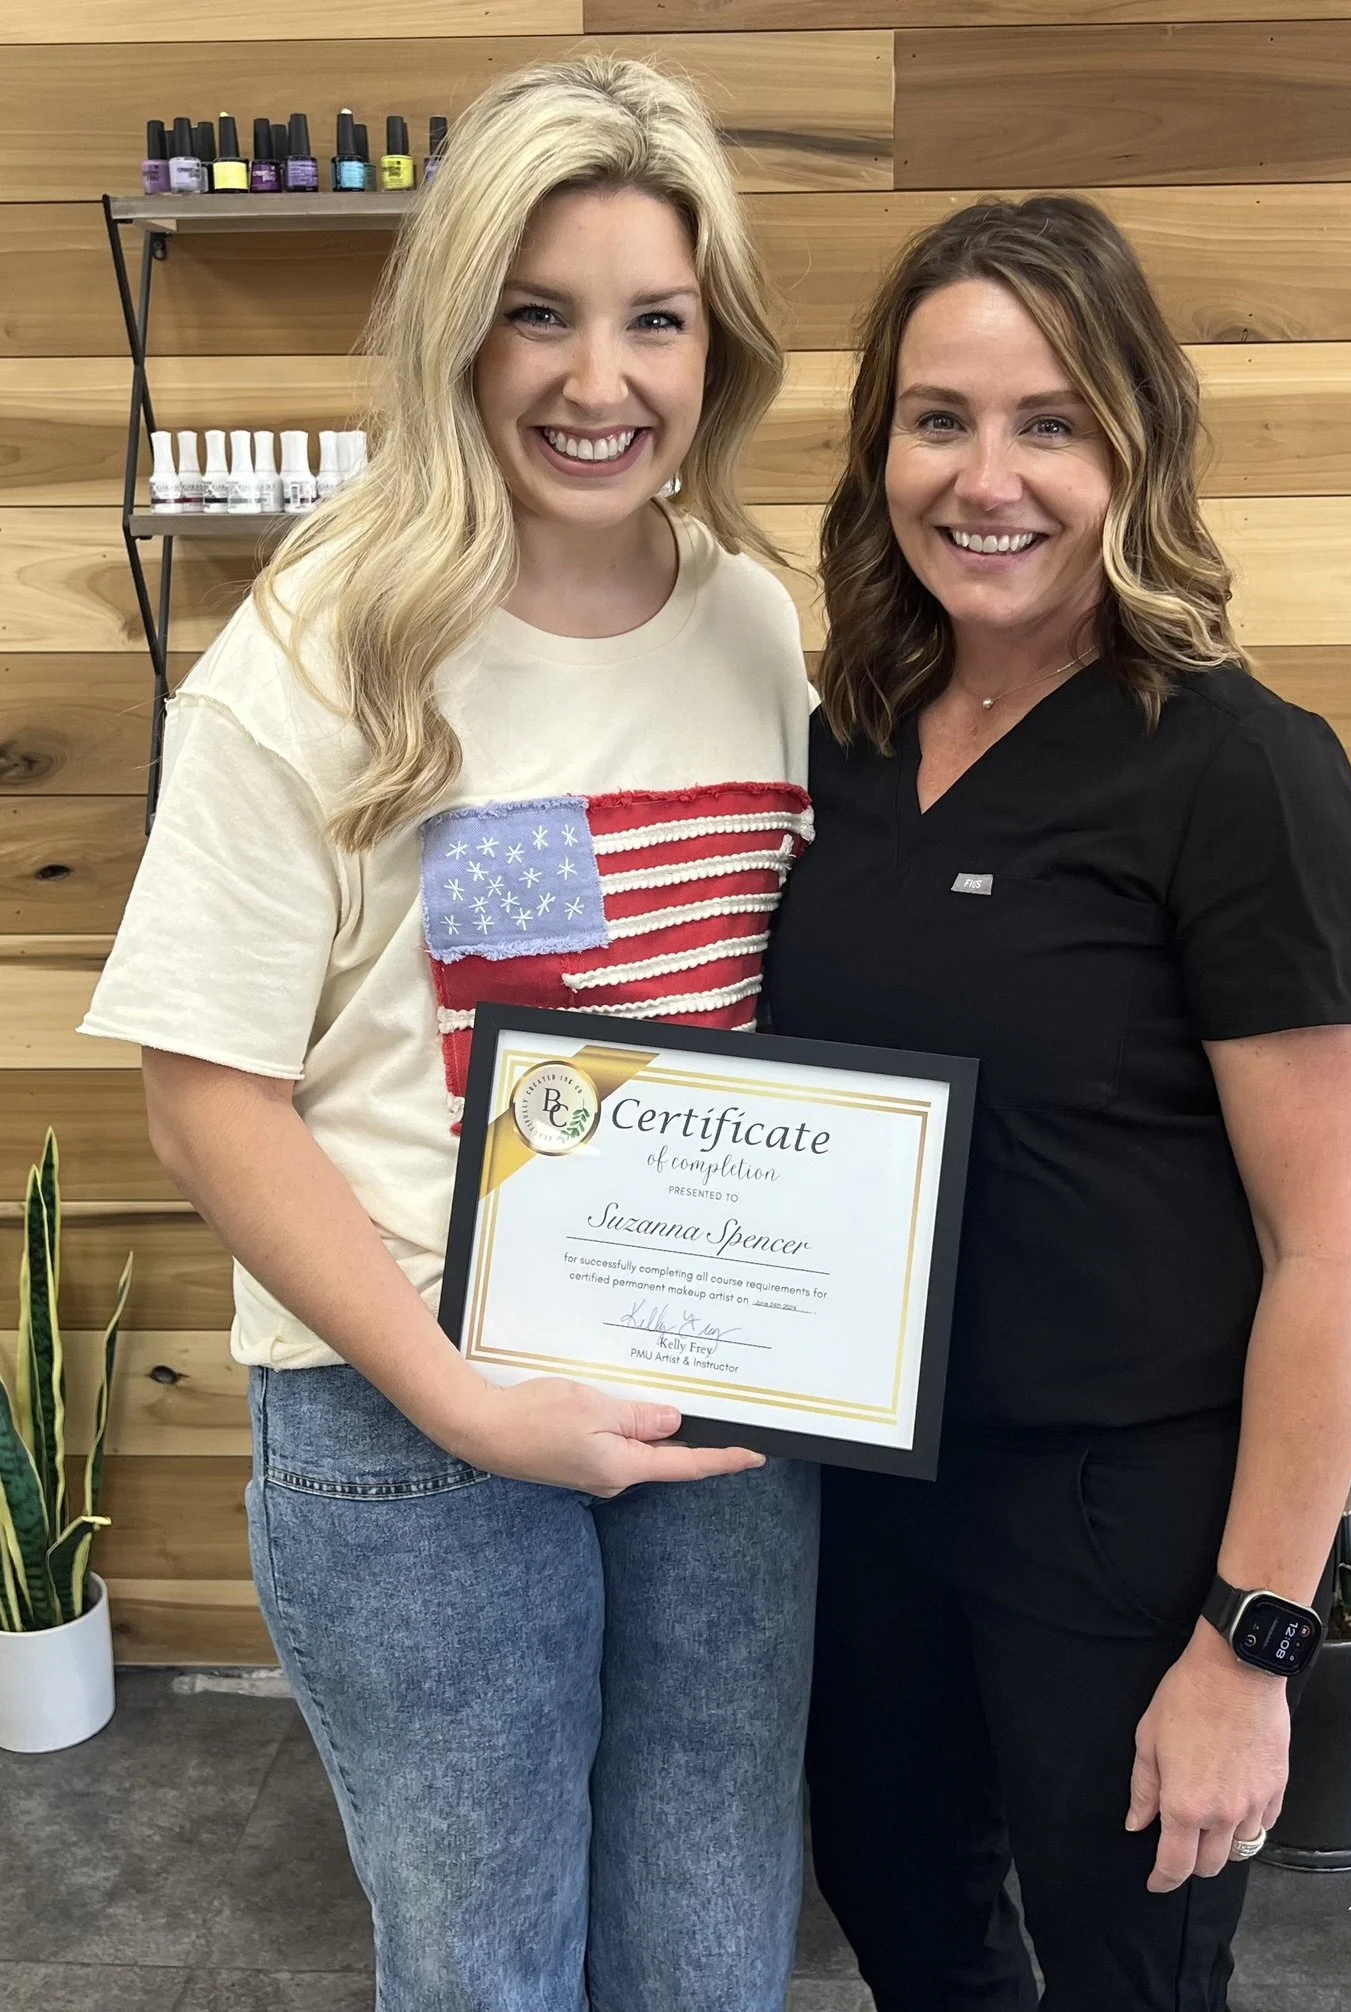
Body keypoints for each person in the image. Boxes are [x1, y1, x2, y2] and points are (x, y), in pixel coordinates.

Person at [82, 56, 817, 2012]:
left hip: (724, 1386)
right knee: (491, 1966)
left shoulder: (756, 616)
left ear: (714, 341)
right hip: (412, 1405)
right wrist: (462, 1396)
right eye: (537, 311)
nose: (602, 380)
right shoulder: (326, 644)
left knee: (712, 1933)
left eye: (654, 318)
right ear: (452, 331)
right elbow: (205, 1095)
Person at [763, 196, 1351, 2012]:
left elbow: (1333, 1249)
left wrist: (1250, 1645)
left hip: (1127, 1530)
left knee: (1125, 1974)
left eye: (1054, 424)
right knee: (905, 1921)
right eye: (941, 418)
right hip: (875, 1500)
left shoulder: (1242, 772)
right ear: (882, 439)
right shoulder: (852, 734)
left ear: (1137, 448)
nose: (991, 478)